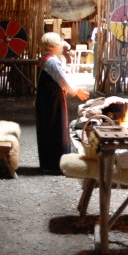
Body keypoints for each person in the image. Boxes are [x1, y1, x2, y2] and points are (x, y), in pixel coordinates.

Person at [36, 32, 90, 174]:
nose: (61, 46)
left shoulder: (45, 59)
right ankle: (55, 164)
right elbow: (63, 81)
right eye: (59, 44)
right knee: (55, 128)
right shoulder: (51, 61)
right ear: (52, 46)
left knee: (48, 128)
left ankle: (49, 163)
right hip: (52, 101)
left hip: (47, 99)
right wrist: (77, 91)